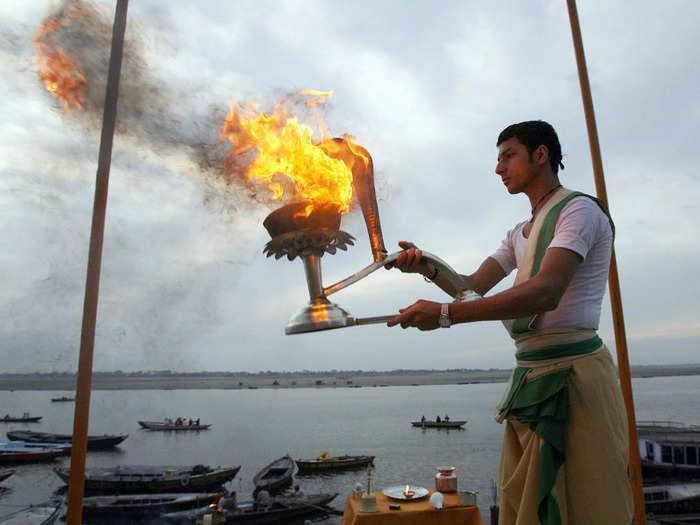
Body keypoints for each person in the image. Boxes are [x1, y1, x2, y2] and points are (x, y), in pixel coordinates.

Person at [388, 120, 633, 525]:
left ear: (541, 155)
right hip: (529, 381)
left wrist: (446, 315)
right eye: (498, 159)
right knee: (527, 505)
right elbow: (470, 286)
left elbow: (545, 291)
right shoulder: (518, 233)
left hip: (576, 378)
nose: (499, 168)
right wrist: (426, 267)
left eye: (508, 156)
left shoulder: (579, 211)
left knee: (587, 503)